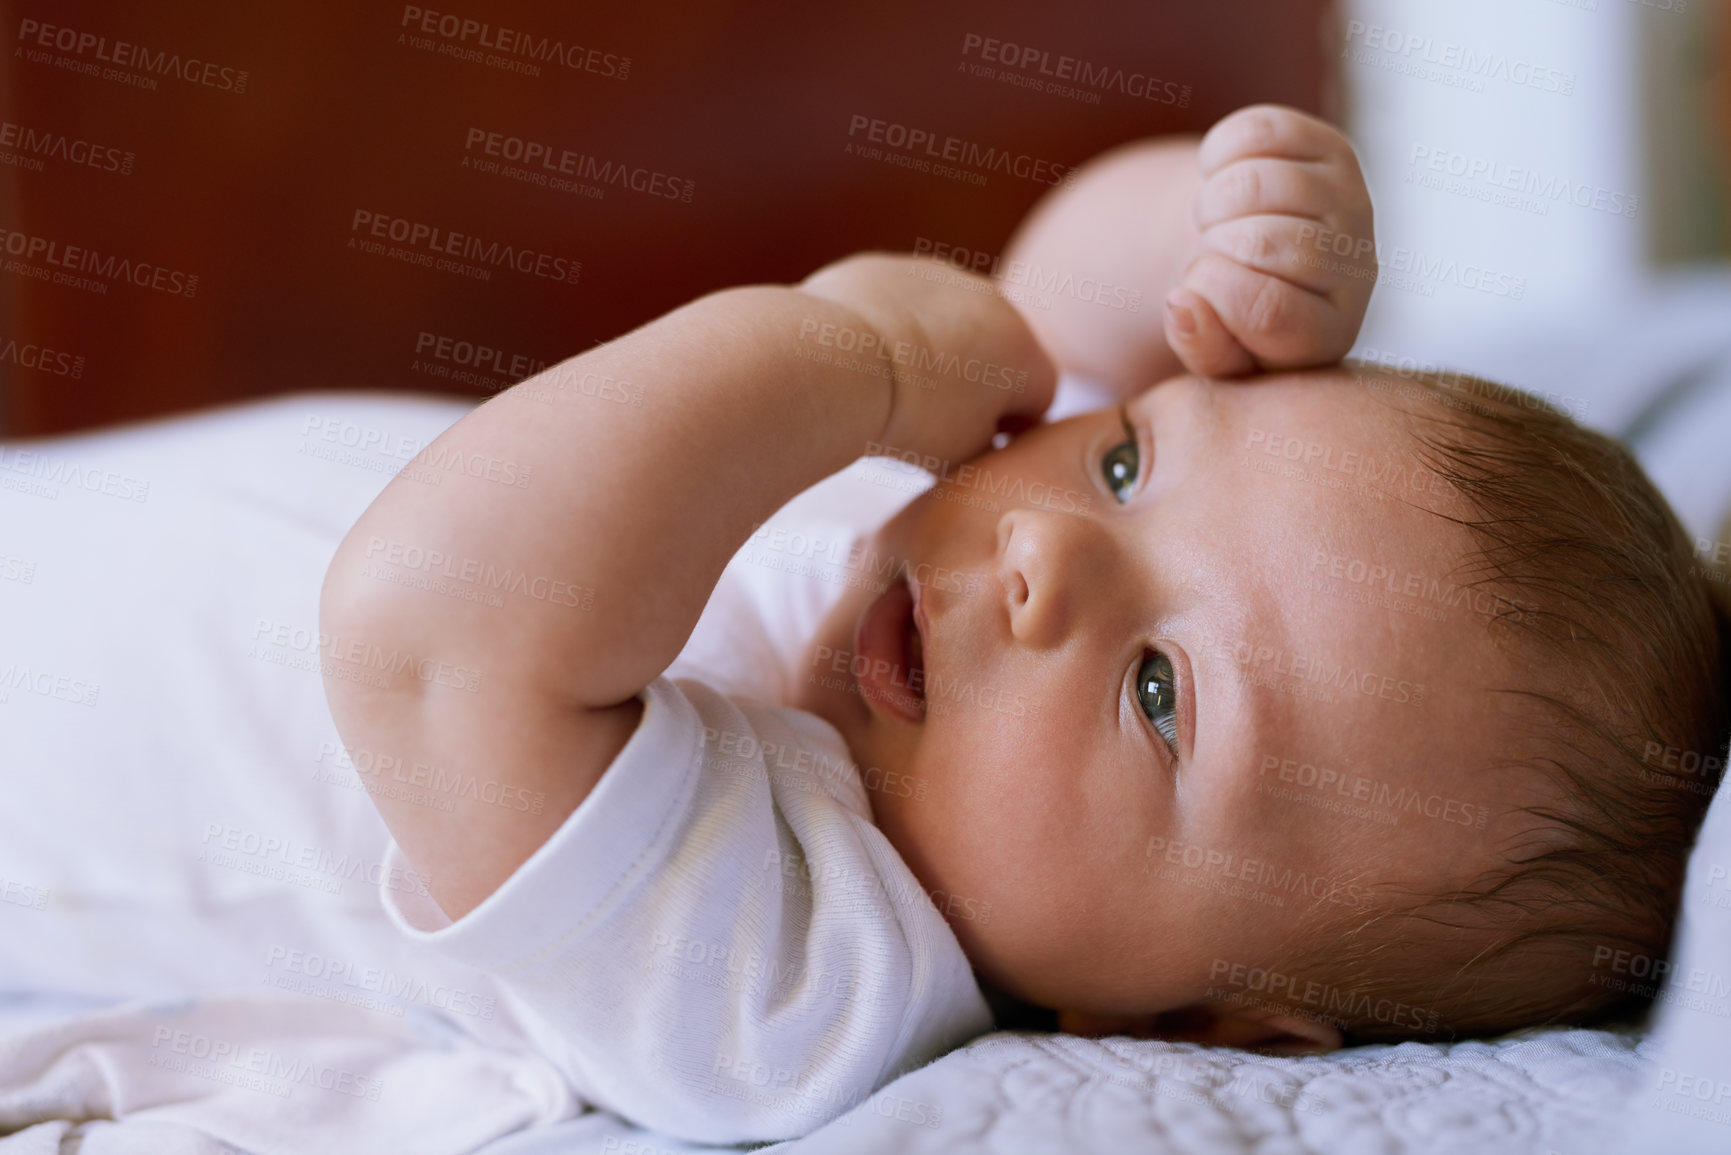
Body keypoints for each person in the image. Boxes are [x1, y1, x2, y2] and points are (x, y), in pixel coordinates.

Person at [316, 105, 1731, 1142]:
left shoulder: (804, 970)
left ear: (1191, 1027)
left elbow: (430, 638)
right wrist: (1225, 231)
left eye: (1165, 696)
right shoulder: (976, 563)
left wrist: (846, 354)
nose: (1048, 546)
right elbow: (1065, 298)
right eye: (1129, 461)